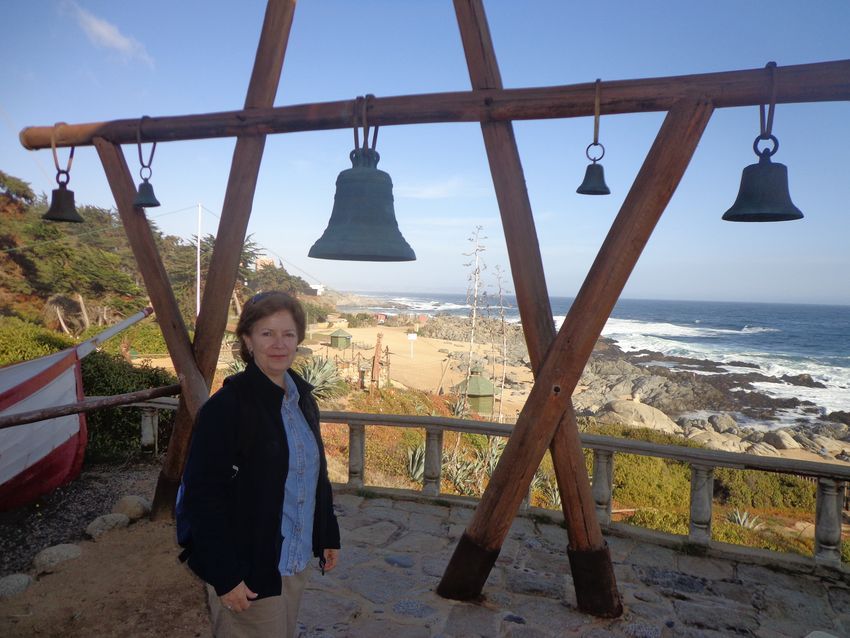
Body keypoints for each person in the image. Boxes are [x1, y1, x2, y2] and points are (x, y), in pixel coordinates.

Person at [179, 291, 340, 637]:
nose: (279, 344)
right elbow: (202, 497)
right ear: (248, 341)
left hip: (293, 562)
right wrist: (225, 577)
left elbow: (315, 474)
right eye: (267, 333)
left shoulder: (301, 399)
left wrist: (327, 533)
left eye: (288, 334)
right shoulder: (227, 407)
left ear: (299, 340)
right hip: (250, 571)